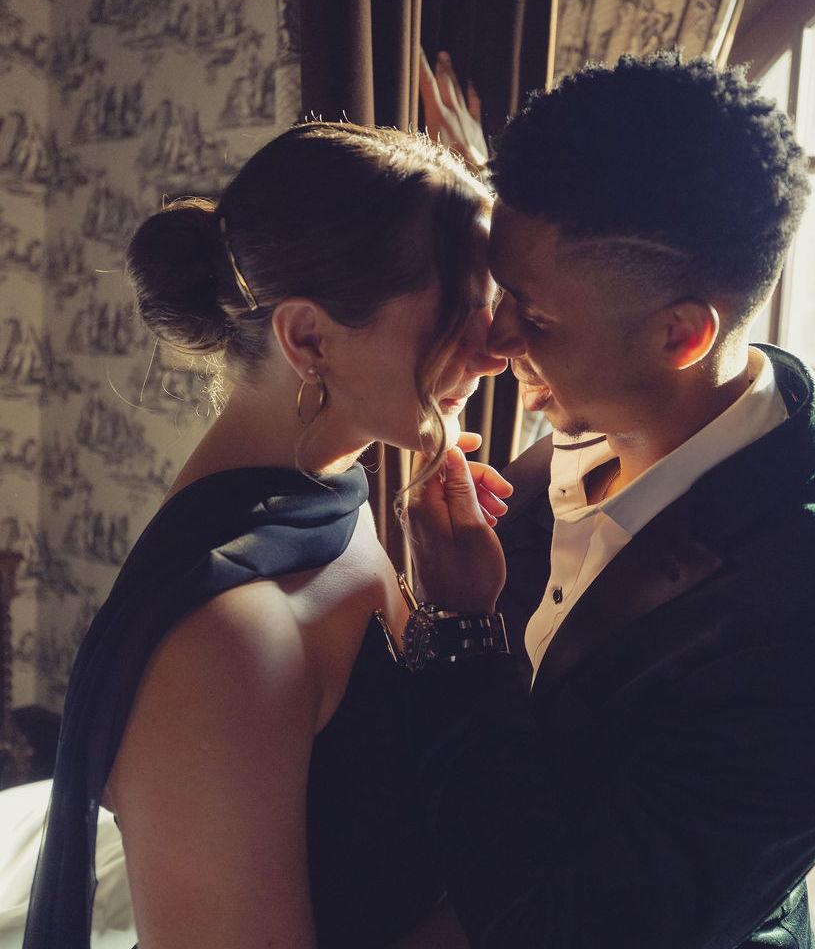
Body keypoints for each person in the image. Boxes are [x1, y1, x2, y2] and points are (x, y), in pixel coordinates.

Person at [400, 50, 815, 947]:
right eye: (505, 293)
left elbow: (560, 934)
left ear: (681, 335)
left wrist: (463, 631)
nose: (496, 337)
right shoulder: (607, 415)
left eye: (536, 317)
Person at [22, 121, 512, 949]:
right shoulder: (223, 638)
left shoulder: (332, 492)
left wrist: (454, 615)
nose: (494, 352)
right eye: (456, 315)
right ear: (309, 339)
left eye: (489, 309)